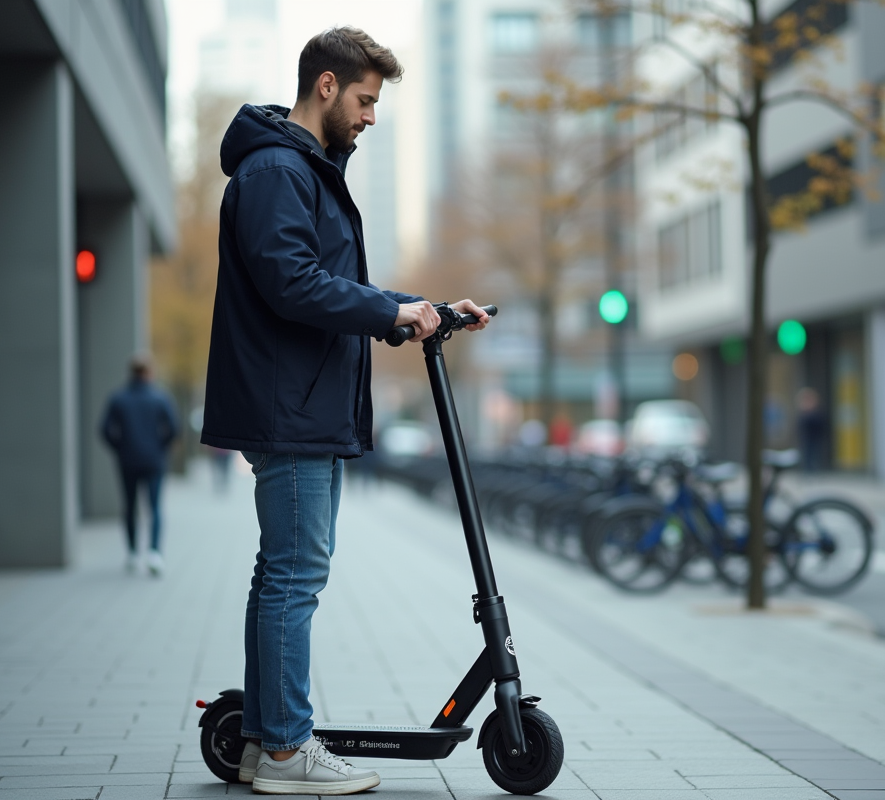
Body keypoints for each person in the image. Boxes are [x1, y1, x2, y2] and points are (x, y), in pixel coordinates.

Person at [199, 27, 489, 796]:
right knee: (295, 575)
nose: (369, 117)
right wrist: (391, 313)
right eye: (364, 100)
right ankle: (290, 753)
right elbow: (293, 284)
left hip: (303, 402)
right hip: (289, 407)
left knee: (284, 575)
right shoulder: (274, 172)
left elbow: (323, 282)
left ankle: (266, 745)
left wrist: (417, 307)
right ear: (325, 86)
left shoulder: (303, 172)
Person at [100, 355, 179, 576]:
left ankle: (132, 552)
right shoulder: (160, 398)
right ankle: (154, 552)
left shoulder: (118, 398)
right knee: (154, 507)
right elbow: (173, 428)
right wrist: (161, 447)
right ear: (149, 372)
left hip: (128, 461)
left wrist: (120, 447)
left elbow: (105, 430)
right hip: (154, 460)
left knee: (129, 506)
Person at [796, 387, 825, 473]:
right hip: (806, 438)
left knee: (813, 455)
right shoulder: (804, 412)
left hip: (814, 438)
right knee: (807, 455)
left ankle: (812, 470)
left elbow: (820, 424)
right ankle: (808, 471)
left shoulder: (815, 412)